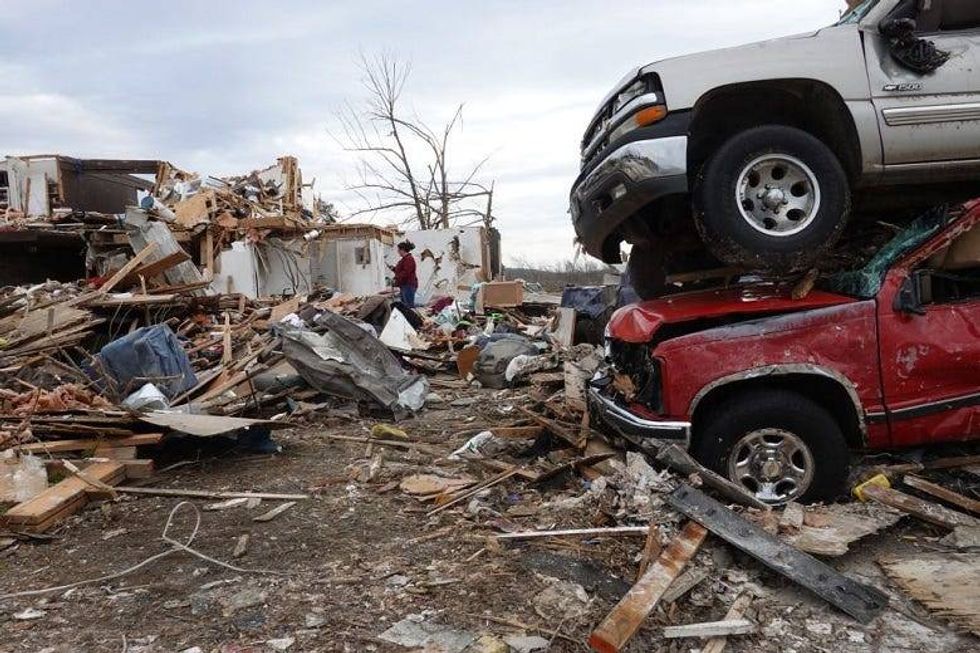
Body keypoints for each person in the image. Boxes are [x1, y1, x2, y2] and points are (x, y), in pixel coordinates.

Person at [390, 240, 418, 308]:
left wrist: (396, 278)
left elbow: (406, 272)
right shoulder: (404, 259)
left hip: (408, 285)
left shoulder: (409, 259)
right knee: (405, 306)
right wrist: (394, 269)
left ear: (402, 250)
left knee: (408, 307)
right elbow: (402, 271)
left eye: (399, 250)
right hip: (404, 285)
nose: (398, 252)